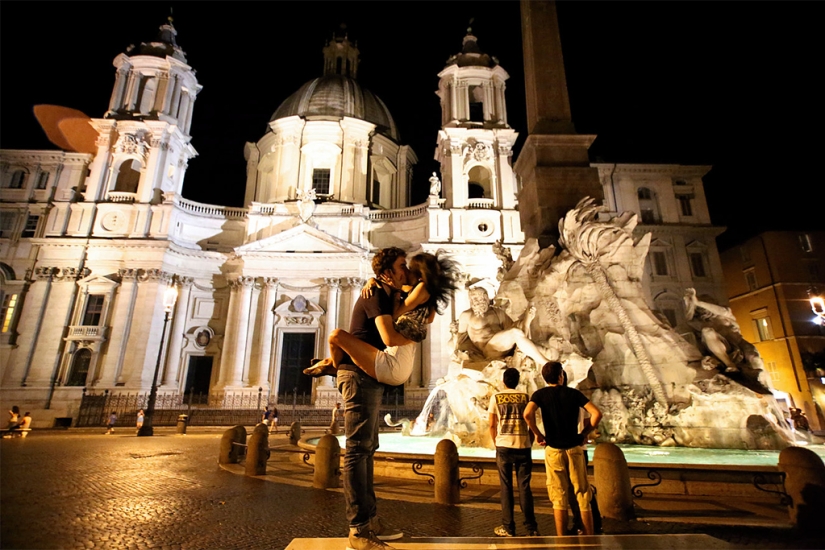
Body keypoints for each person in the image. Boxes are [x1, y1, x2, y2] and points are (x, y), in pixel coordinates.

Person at [306, 246, 413, 550]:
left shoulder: (383, 289)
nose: (404, 271)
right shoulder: (376, 293)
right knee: (356, 449)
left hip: (368, 372)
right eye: (400, 266)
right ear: (387, 272)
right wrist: (414, 337)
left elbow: (414, 287)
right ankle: (359, 529)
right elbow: (389, 337)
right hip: (357, 374)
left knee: (368, 447)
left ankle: (370, 518)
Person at [304, 251, 457, 386]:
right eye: (403, 266)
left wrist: (393, 294)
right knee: (339, 340)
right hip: (400, 362)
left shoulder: (422, 289)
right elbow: (427, 318)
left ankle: (333, 366)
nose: (405, 271)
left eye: (407, 267)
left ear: (419, 272)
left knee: (335, 335)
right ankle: (331, 364)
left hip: (394, 362)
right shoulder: (419, 291)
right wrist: (373, 280)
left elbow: (395, 315)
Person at [524, 361, 602, 536]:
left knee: (558, 496)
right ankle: (590, 538)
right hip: (574, 448)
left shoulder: (540, 394)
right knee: (582, 494)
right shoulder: (574, 394)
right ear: (561, 376)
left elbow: (527, 414)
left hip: (553, 450)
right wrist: (585, 432)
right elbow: (597, 413)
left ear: (545, 377)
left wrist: (537, 433)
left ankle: (561, 539)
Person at [488, 367, 539, 537]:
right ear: (517, 381)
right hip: (523, 445)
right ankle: (531, 527)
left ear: (503, 381)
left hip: (504, 446)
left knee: (506, 487)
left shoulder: (496, 397)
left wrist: (495, 441)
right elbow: (530, 419)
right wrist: (530, 439)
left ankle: (509, 527)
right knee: (525, 487)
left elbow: (491, 424)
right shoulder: (525, 397)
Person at [453, 287, 549, 368]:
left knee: (519, 326)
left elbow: (511, 327)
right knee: (516, 332)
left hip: (502, 345)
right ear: (471, 300)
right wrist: (467, 356)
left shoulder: (497, 312)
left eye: (483, 297)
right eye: (476, 299)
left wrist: (525, 320)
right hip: (488, 350)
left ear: (486, 298)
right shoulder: (466, 315)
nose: (480, 301)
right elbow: (461, 340)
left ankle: (520, 353)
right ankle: (546, 363)